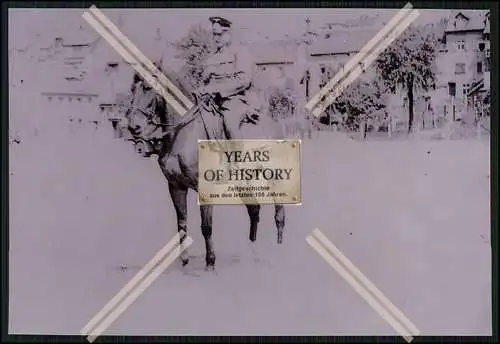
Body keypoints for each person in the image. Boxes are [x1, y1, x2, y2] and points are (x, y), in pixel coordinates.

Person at [196, 16, 265, 139]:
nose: (216, 38)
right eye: (214, 35)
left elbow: (243, 80)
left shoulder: (240, 52)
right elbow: (205, 81)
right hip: (211, 102)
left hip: (235, 100)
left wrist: (216, 89)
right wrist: (201, 90)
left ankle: (237, 155)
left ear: (228, 34)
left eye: (220, 34)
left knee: (230, 122)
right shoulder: (211, 57)